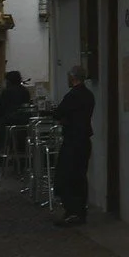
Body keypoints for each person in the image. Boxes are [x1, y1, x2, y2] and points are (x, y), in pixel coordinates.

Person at [53, 66, 95, 227]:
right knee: (80, 176)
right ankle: (80, 211)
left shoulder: (73, 95)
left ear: (72, 77)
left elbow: (58, 113)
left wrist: (63, 119)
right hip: (84, 140)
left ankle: (72, 212)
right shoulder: (89, 95)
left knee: (67, 176)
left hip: (72, 141)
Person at [0, 69, 32, 168]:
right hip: (24, 122)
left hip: (10, 122)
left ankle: (0, 153)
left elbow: (0, 110)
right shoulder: (25, 91)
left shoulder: (7, 92)